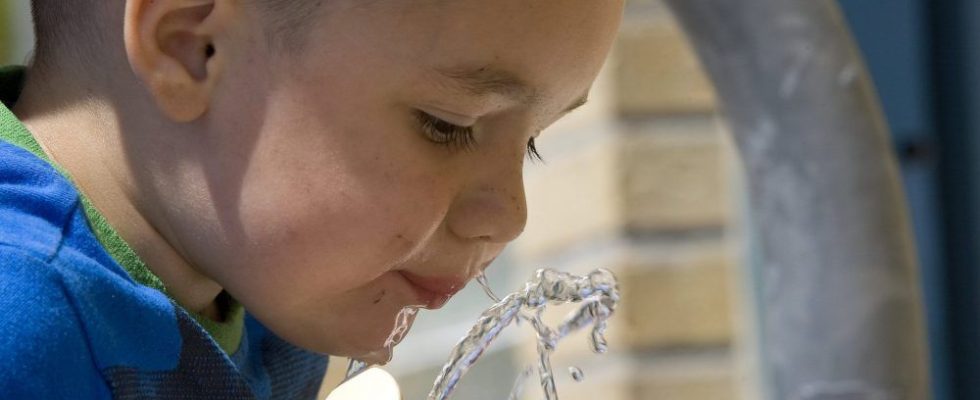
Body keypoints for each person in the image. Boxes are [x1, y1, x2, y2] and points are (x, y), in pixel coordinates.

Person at [0, 0, 624, 398]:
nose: (511, 216)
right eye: (449, 125)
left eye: (533, 143)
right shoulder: (22, 329)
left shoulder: (261, 283)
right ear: (191, 50)